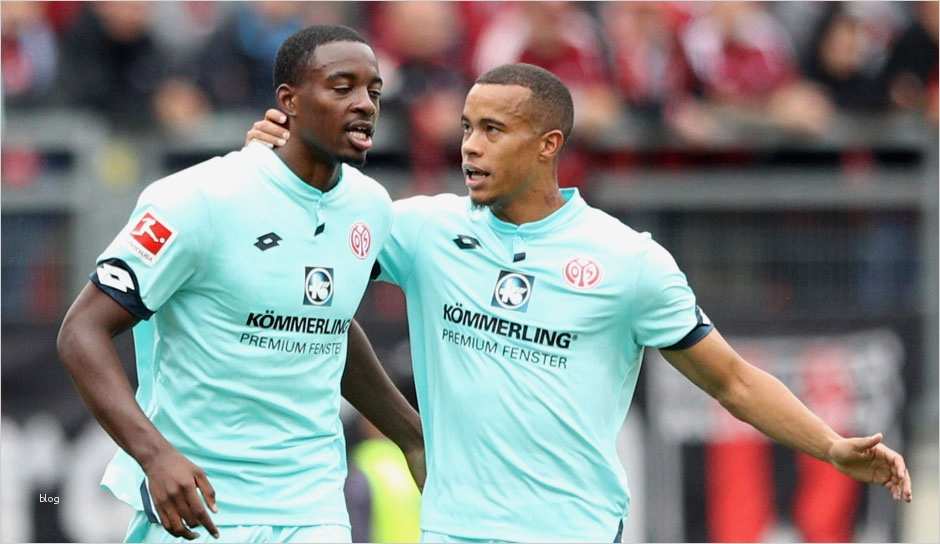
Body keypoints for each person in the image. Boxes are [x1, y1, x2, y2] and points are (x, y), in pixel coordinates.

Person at [249, 62, 913, 542]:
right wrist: (272, 173)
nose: (471, 145)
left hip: (573, 529)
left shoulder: (628, 261)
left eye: (494, 129)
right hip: (452, 529)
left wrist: (831, 446)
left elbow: (734, 381)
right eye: (467, 127)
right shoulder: (423, 231)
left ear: (548, 146)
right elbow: (306, 270)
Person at [57, 25, 424, 543]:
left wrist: (413, 437)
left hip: (313, 507)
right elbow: (81, 332)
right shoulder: (200, 198)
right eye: (342, 88)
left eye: (374, 91)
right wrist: (155, 455)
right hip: (201, 504)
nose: (364, 104)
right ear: (288, 101)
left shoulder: (370, 206)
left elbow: (328, 324)